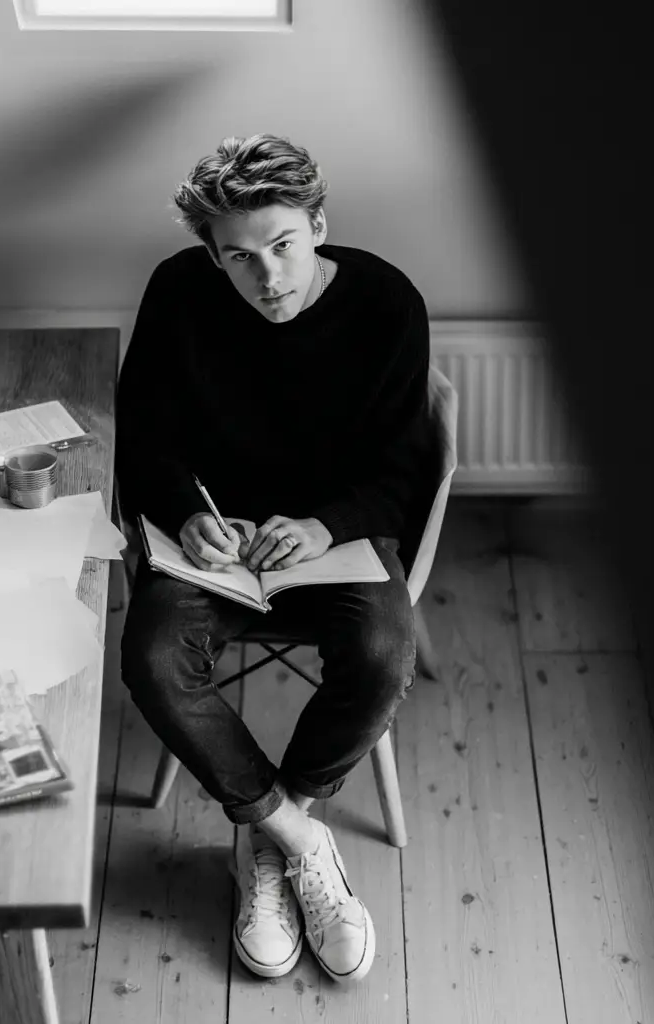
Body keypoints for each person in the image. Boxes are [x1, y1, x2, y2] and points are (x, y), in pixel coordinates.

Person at [117, 134, 437, 984]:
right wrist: (186, 515)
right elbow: (143, 436)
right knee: (151, 658)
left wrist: (328, 525)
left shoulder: (387, 305)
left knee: (381, 654)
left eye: (284, 245)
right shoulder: (178, 294)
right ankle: (293, 836)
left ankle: (271, 825)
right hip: (214, 547)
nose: (268, 277)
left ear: (319, 224)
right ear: (211, 256)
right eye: (239, 257)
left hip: (331, 543)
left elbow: (405, 470)